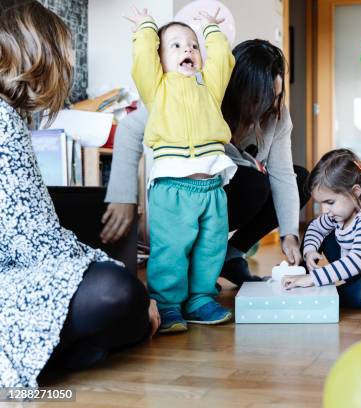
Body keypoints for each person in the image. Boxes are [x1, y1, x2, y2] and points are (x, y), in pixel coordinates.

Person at [0, 1, 157, 387]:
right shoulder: (4, 121)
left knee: (119, 291)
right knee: (118, 292)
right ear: (38, 54)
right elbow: (38, 244)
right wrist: (119, 272)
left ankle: (64, 350)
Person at [102, 39, 309, 285]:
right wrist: (123, 197)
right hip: (186, 196)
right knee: (252, 183)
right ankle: (192, 263)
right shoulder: (196, 90)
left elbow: (283, 174)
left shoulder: (276, 113)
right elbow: (129, 128)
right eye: (260, 99)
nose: (269, 107)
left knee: (301, 179)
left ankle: (230, 258)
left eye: (274, 97)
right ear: (236, 88)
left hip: (227, 195)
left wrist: (289, 235)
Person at [124, 6, 236, 332]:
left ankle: (199, 298)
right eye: (175, 45)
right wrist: (146, 28)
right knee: (171, 250)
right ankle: (169, 302)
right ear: (160, 60)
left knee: (210, 248)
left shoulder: (210, 88)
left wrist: (212, 31)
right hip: (171, 188)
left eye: (193, 45)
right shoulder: (157, 88)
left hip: (212, 188)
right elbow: (142, 61)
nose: (187, 49)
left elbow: (223, 62)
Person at [282, 149, 361, 309]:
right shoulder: (340, 211)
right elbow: (315, 227)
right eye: (321, 204)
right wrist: (310, 250)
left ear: (355, 192)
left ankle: (324, 292)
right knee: (319, 229)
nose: (324, 210)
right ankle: (302, 275)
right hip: (355, 272)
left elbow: (356, 262)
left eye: (330, 202)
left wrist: (315, 279)